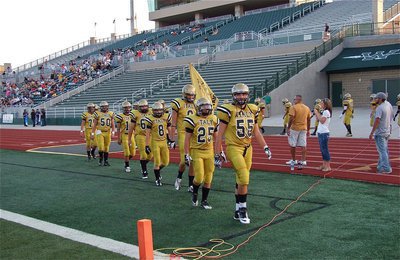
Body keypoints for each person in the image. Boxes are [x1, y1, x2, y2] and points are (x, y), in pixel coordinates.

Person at [215, 83, 272, 224]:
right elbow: (219, 134)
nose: (241, 97)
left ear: (248, 95)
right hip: (234, 147)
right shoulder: (228, 110)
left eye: (244, 94)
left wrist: (265, 146)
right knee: (244, 177)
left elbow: (256, 132)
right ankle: (243, 209)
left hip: (248, 148)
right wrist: (217, 153)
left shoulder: (253, 109)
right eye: (238, 94)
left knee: (241, 180)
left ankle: (236, 209)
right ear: (233, 96)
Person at [184, 97, 219, 209]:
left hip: (209, 151)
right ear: (198, 108)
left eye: (208, 107)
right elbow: (187, 139)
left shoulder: (213, 118)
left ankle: (204, 200)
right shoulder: (192, 119)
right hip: (196, 150)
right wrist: (186, 154)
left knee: (209, 177)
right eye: (203, 107)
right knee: (199, 177)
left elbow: (217, 138)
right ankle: (194, 193)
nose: (206, 109)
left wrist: (220, 151)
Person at [170, 85, 197, 191]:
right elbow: (173, 123)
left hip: (194, 135)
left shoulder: (196, 104)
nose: (190, 97)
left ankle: (191, 184)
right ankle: (179, 177)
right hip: (183, 133)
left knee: (193, 161)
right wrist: (172, 139)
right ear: (184, 94)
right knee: (184, 160)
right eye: (188, 95)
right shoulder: (178, 103)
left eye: (192, 95)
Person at [144, 102, 172, 186]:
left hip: (164, 142)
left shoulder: (166, 117)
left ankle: (157, 171)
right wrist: (147, 145)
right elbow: (148, 133)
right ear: (153, 111)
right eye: (156, 110)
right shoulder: (150, 119)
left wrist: (171, 140)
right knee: (157, 161)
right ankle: (157, 179)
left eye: (159, 110)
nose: (158, 112)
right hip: (155, 142)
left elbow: (169, 129)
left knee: (166, 162)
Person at [369, 92, 393, 174]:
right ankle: (380, 166)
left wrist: (372, 132)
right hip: (387, 131)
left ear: (380, 99)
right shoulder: (389, 105)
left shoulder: (380, 108)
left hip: (380, 132)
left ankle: (386, 168)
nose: (375, 100)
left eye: (376, 98)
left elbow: (377, 120)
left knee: (382, 151)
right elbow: (391, 116)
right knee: (384, 150)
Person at [129, 99, 152, 179]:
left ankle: (143, 163)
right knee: (143, 154)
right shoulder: (135, 113)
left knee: (150, 155)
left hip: (150, 136)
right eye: (142, 106)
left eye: (145, 106)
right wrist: (129, 139)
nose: (144, 108)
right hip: (140, 135)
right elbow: (131, 127)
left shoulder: (151, 111)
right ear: (139, 107)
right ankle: (144, 171)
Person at [286, 95, 311, 167]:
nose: (293, 101)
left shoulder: (293, 107)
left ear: (297, 100)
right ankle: (303, 160)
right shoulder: (307, 108)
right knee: (303, 145)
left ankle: (293, 160)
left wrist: (288, 128)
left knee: (292, 144)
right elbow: (309, 119)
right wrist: (308, 129)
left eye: (294, 99)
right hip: (304, 128)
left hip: (295, 128)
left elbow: (291, 118)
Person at [91, 101, 115, 166]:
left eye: (105, 106)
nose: (104, 108)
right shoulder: (97, 113)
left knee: (107, 147)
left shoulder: (111, 113)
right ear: (100, 107)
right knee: (101, 147)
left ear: (108, 107)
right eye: (103, 107)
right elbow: (94, 125)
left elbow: (113, 124)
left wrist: (113, 132)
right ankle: (101, 159)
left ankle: (106, 161)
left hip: (108, 131)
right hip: (99, 131)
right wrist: (92, 134)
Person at [115, 101, 136, 173]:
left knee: (133, 153)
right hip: (124, 135)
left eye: (128, 107)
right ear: (123, 108)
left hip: (132, 135)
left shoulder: (133, 115)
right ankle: (127, 166)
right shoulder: (120, 116)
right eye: (125, 108)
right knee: (126, 152)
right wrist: (118, 138)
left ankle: (126, 161)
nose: (127, 109)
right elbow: (118, 128)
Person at [314, 98, 332, 171]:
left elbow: (322, 121)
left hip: (324, 133)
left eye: (321, 103)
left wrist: (317, 112)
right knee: (322, 150)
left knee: (325, 150)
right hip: (321, 132)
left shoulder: (326, 112)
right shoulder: (324, 111)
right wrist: (317, 112)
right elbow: (318, 119)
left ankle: (328, 166)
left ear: (325, 104)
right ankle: (324, 165)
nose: (320, 104)